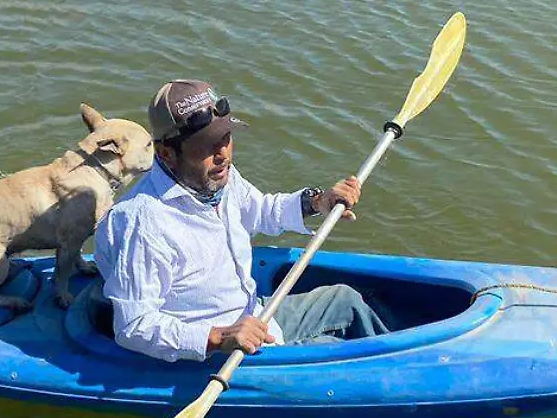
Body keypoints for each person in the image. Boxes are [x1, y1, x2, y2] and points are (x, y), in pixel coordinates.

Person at [93, 80, 390, 362]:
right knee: (334, 350)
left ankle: (396, 360)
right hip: (222, 355)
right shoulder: (143, 224)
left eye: (225, 138)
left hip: (255, 315)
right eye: (207, 146)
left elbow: (261, 210)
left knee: (346, 300)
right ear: (167, 154)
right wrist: (219, 337)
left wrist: (317, 202)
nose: (222, 155)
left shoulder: (215, 176)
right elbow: (134, 326)